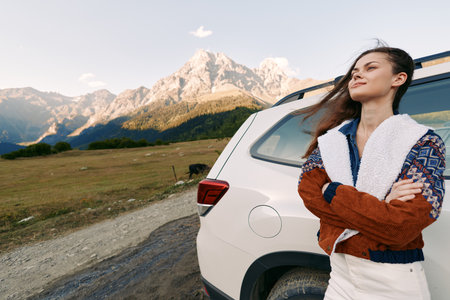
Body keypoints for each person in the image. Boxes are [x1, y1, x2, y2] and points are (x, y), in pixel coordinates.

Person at [297, 46, 446, 299]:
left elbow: (401, 227)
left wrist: (331, 190)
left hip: (394, 282)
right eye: (354, 71)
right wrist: (379, 205)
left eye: (371, 68)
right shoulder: (332, 140)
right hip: (340, 276)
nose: (356, 75)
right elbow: (308, 193)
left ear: (398, 79)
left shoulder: (423, 142)